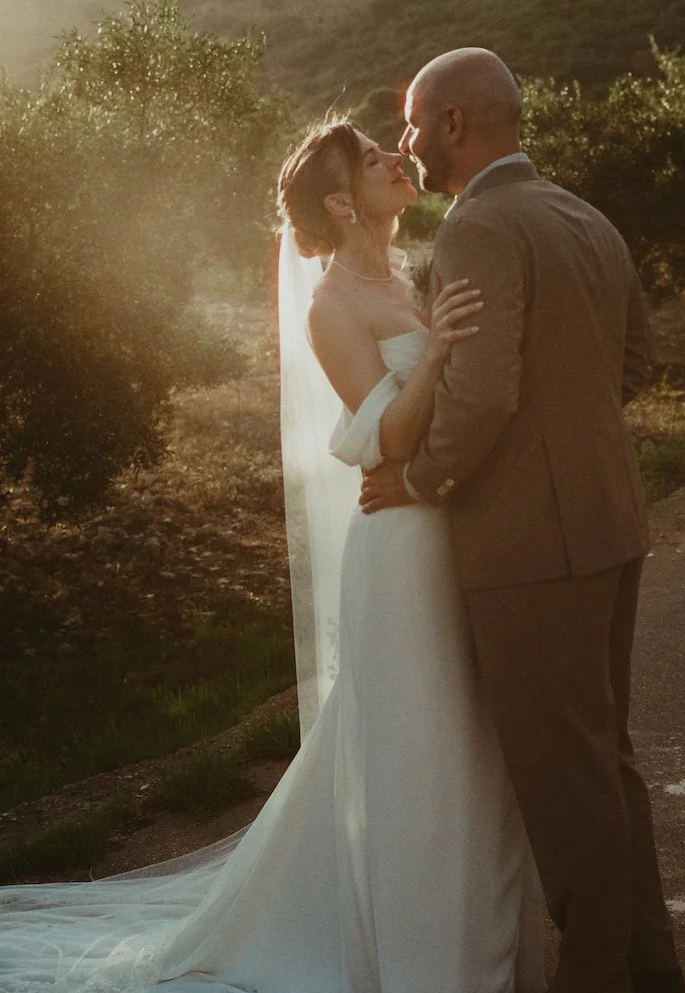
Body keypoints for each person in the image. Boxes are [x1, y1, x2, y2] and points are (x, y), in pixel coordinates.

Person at [0, 119, 545, 992]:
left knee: (467, 751)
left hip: (444, 535)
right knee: (422, 759)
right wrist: (441, 351)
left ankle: (475, 945)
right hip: (400, 553)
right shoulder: (334, 306)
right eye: (372, 160)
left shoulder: (401, 274)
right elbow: (388, 437)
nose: (394, 159)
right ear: (340, 202)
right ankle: (427, 965)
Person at [360, 48, 685, 993]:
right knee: (605, 764)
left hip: (531, 549)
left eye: (416, 123)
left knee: (561, 781)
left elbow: (485, 393)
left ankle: (592, 977)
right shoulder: (586, 216)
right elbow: (631, 365)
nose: (409, 141)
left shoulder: (478, 228)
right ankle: (647, 972)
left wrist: (417, 478)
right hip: (611, 525)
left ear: (457, 124)